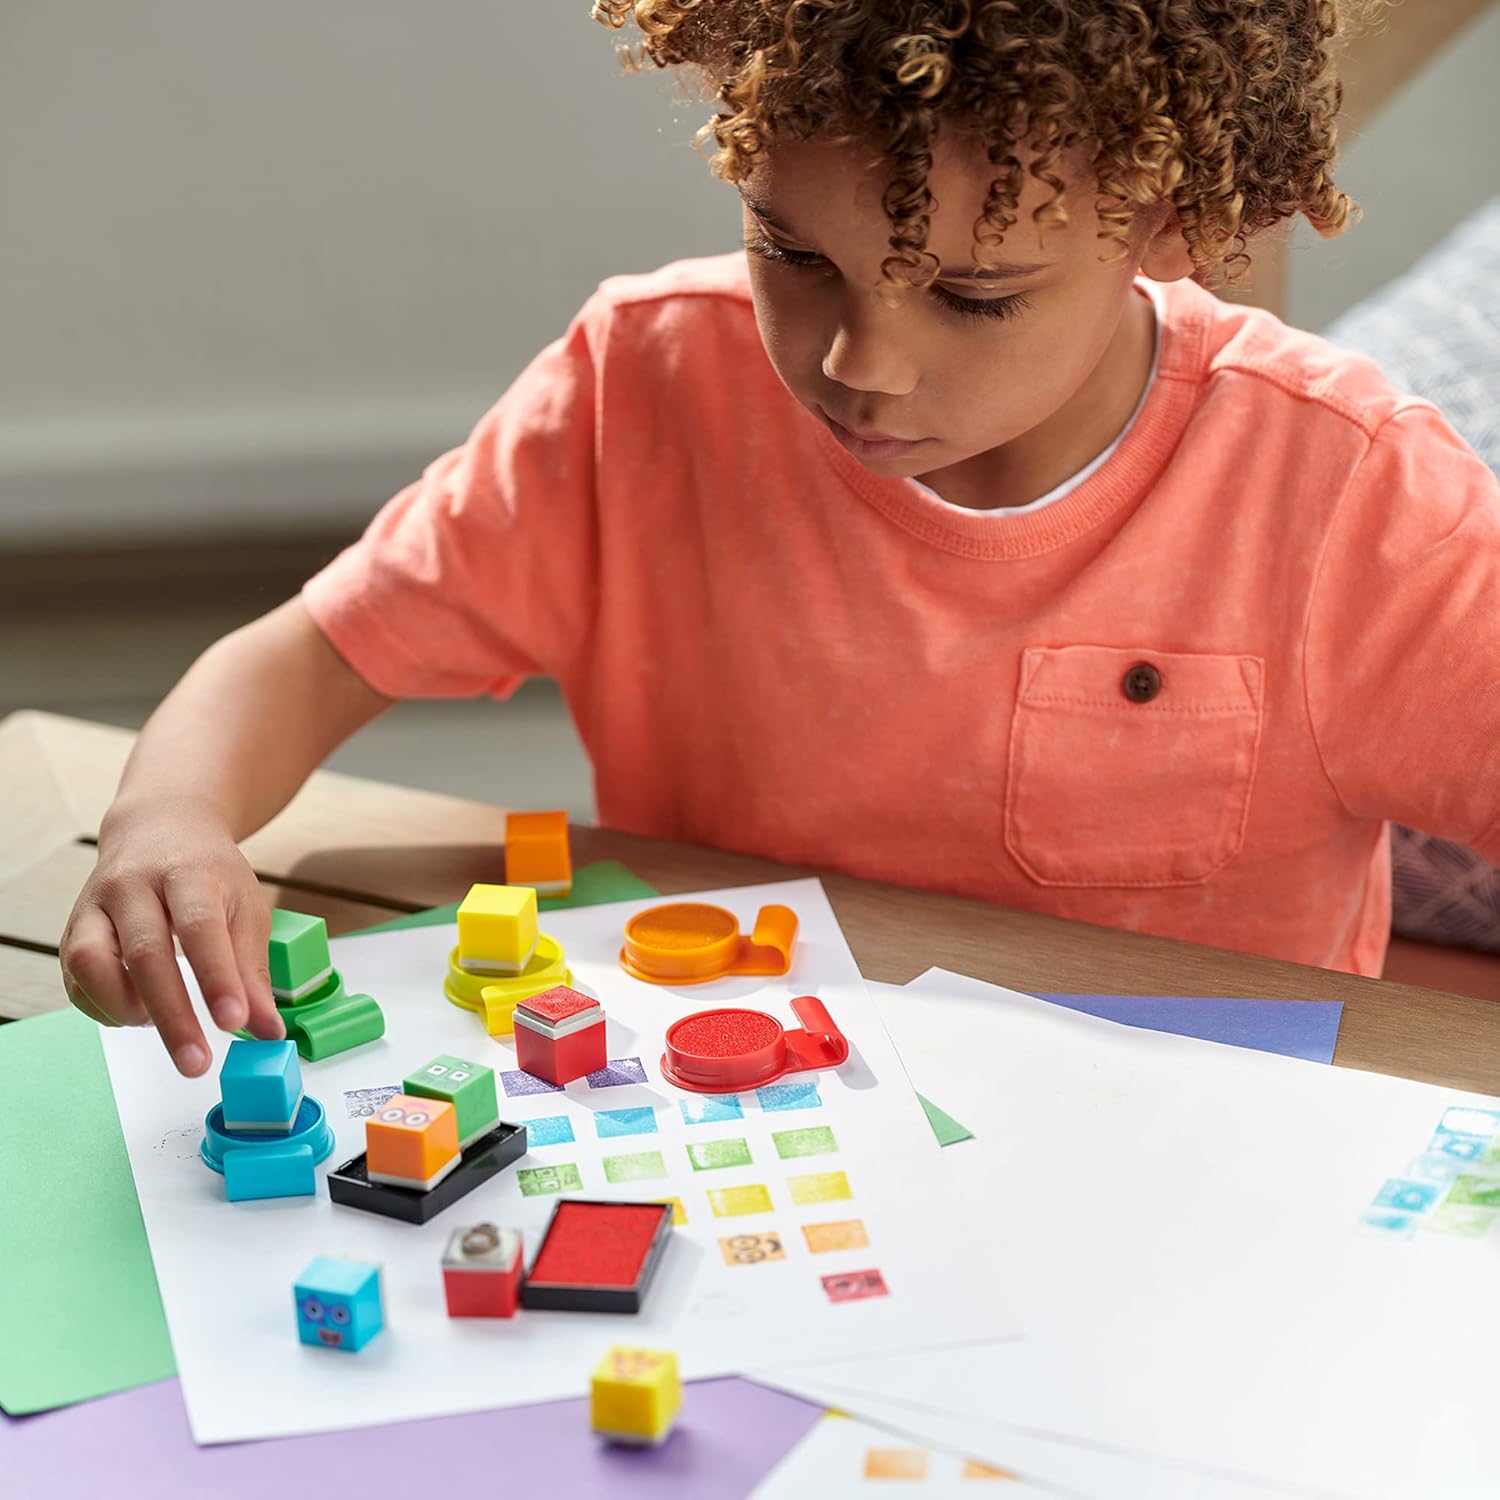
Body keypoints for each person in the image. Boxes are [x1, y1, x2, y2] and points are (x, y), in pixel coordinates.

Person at [60, 0, 1500, 1075]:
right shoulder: (642, 388)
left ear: (1169, 225)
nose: (861, 364)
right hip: (724, 1115)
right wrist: (168, 817)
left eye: (977, 297)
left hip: (1196, 1178)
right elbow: (309, 657)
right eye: (794, 256)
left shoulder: (1348, 496)